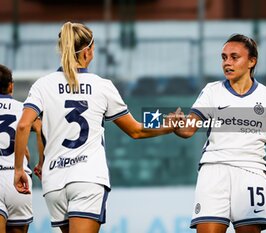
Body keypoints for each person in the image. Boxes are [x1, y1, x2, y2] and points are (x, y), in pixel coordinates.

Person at [13, 22, 177, 233]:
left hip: (53, 182)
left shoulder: (42, 85)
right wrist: (167, 125)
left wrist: (19, 169)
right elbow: (136, 129)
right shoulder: (102, 86)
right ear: (88, 51)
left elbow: (24, 125)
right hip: (87, 178)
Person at [174, 34, 266, 233]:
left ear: (252, 61)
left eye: (234, 57)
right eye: (224, 57)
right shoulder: (212, 91)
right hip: (214, 171)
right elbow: (188, 129)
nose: (227, 63)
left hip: (251, 172)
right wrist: (176, 124)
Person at [0, 64, 43, 233]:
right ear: (11, 85)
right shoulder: (24, 109)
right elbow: (40, 129)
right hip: (17, 178)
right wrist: (41, 162)